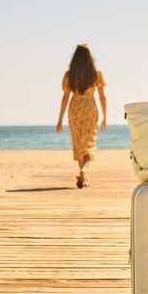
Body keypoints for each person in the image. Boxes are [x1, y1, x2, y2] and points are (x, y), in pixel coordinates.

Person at [56, 44, 107, 188]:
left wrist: (59, 120)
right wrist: (104, 116)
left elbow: (65, 97)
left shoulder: (69, 75)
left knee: (78, 143)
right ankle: (84, 171)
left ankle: (83, 175)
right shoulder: (96, 74)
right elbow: (103, 97)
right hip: (90, 109)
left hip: (75, 110)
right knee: (89, 143)